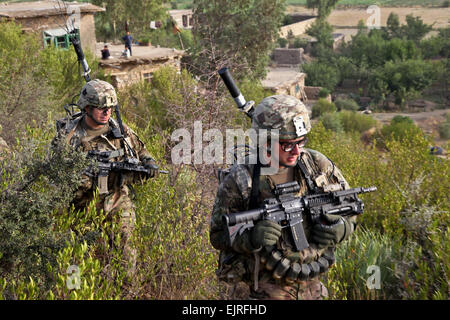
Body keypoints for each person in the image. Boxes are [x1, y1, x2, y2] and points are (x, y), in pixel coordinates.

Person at [210, 95, 357, 300]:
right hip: (258, 292)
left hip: (312, 287)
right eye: (287, 144)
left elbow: (350, 204)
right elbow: (218, 235)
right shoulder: (242, 178)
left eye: (301, 141)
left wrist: (344, 227)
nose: (297, 150)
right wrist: (250, 237)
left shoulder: (316, 165)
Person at [53, 79, 159, 278]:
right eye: (101, 108)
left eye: (110, 108)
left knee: (126, 249)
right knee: (81, 260)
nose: (107, 112)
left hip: (116, 198)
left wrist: (149, 163)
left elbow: (141, 150)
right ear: (87, 108)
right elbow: (56, 175)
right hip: (81, 206)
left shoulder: (119, 129)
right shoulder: (69, 136)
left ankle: (127, 289)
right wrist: (82, 179)